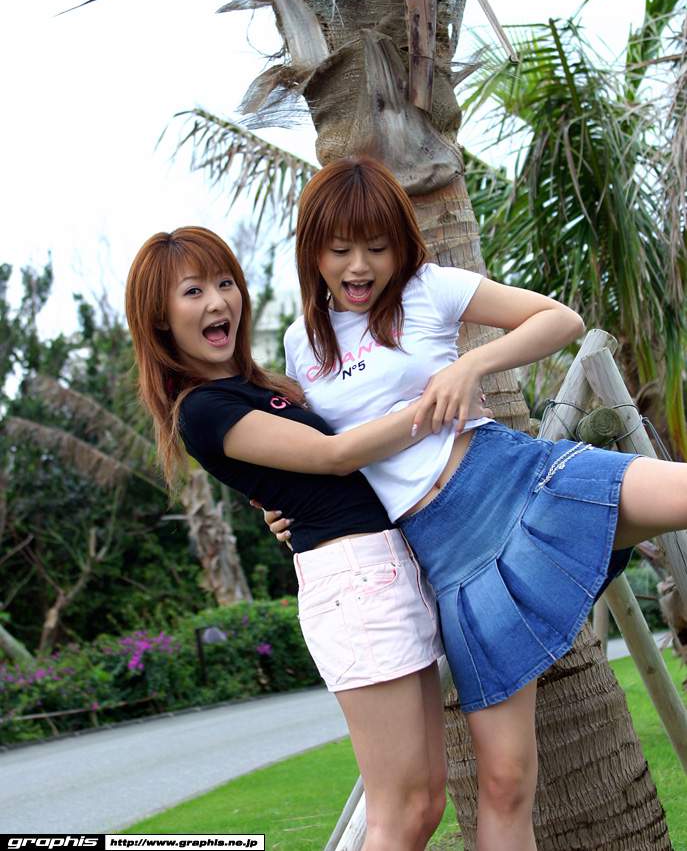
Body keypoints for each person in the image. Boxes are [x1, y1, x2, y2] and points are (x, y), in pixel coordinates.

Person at [263, 155, 687, 851]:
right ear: (312, 250)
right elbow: (319, 454)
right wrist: (283, 508)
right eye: (339, 250)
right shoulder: (301, 345)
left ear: (400, 245)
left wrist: (470, 364)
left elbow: (559, 319)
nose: (359, 266)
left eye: (377, 247)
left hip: (520, 479)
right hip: (450, 556)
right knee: (505, 781)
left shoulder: (429, 289)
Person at [125, 225, 492, 851]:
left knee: (425, 803)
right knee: (399, 813)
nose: (218, 302)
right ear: (160, 320)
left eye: (225, 283)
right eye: (193, 291)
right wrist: (438, 400)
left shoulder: (259, 387)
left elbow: (300, 477)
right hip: (355, 583)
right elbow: (333, 455)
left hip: (382, 569)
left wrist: (282, 508)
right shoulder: (203, 408)